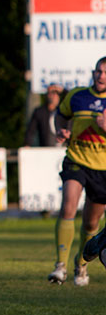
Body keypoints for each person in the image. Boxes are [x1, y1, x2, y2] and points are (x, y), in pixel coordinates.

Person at [47, 56, 106, 287]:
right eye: (98, 71)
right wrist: (62, 130)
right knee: (68, 205)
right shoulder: (77, 95)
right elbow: (61, 115)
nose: (101, 76)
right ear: (93, 73)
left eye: (105, 72)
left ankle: (81, 264)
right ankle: (59, 266)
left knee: (91, 224)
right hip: (76, 160)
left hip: (102, 169)